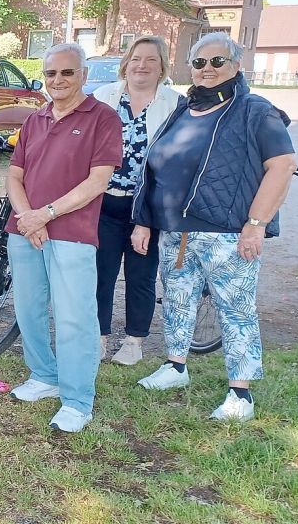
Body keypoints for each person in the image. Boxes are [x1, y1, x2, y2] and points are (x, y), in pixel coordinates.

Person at [131, 33, 296, 422]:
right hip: (175, 229)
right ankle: (175, 366)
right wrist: (143, 220)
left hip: (226, 231)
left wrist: (256, 225)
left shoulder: (255, 110)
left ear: (236, 66)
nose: (207, 69)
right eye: (199, 62)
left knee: (235, 310)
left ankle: (241, 392)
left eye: (217, 62)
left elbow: (283, 165)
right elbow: (155, 165)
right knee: (177, 300)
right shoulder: (185, 109)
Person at [5, 44, 123, 433]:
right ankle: (44, 375)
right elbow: (14, 177)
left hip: (71, 232)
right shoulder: (36, 118)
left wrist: (47, 214)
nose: (58, 80)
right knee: (28, 309)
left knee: (75, 318)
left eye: (67, 73)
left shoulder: (103, 118)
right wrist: (28, 218)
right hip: (25, 230)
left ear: (84, 76)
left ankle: (76, 400)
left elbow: (97, 182)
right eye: (51, 73)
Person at [92, 36, 182, 366]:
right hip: (105, 201)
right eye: (136, 59)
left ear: (162, 68)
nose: (142, 65)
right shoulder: (105, 97)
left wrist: (146, 219)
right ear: (125, 64)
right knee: (100, 272)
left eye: (151, 60)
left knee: (141, 274)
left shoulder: (174, 103)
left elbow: (175, 164)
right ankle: (100, 336)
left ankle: (134, 340)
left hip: (146, 206)